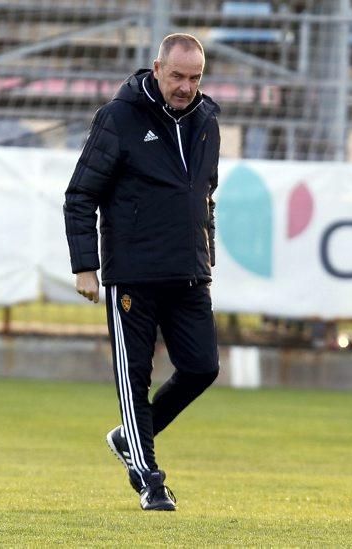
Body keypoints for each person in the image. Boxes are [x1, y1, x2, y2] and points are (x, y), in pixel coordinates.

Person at [63, 33, 221, 511]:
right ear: (156, 68)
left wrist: (205, 249)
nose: (185, 87)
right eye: (177, 76)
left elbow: (205, 194)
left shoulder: (208, 119)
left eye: (194, 78)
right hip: (133, 272)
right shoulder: (119, 117)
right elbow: (79, 195)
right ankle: (149, 479)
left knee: (202, 368)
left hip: (188, 272)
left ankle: (126, 438)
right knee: (134, 375)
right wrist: (85, 266)